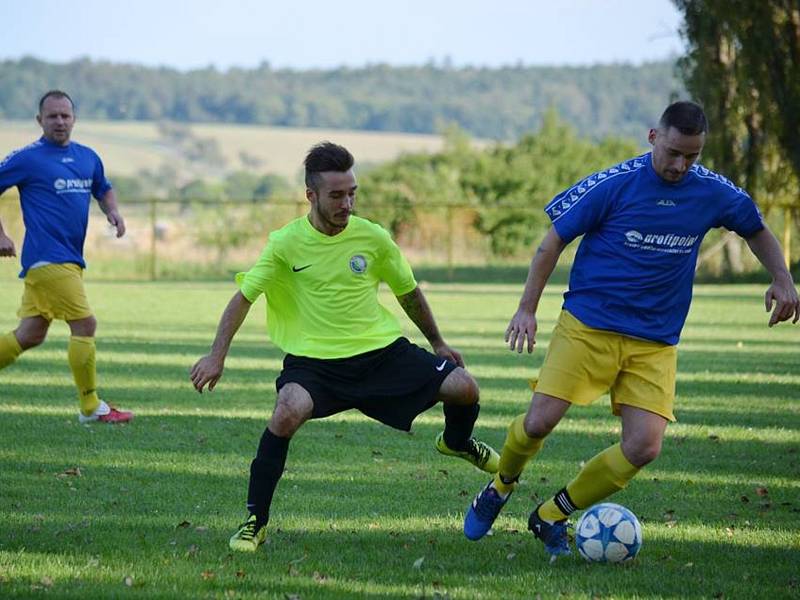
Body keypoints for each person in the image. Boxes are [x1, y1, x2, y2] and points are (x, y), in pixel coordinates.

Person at [462, 101, 799, 559]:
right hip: (588, 326)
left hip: (656, 341)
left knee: (643, 447)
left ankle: (551, 515)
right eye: (674, 152)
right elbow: (553, 240)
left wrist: (782, 277)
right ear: (653, 137)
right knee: (540, 421)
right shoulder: (615, 184)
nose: (681, 166)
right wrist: (527, 309)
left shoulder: (712, 191)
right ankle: (501, 484)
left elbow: (755, 227)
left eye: (692, 157)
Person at [190, 141, 499, 553]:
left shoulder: (372, 237)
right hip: (314, 364)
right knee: (286, 412)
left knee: (466, 388)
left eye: (352, 192)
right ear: (311, 195)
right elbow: (245, 296)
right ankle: (254, 523)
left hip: (380, 355)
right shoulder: (285, 243)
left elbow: (408, 291)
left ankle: (457, 443)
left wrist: (437, 342)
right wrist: (216, 355)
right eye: (337, 195)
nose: (347, 203)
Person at [0, 90, 133, 424]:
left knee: (30, 335)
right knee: (85, 324)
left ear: (74, 119)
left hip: (68, 260)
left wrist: (113, 211)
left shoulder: (87, 157)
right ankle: (91, 408)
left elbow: (103, 187)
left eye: (65, 116)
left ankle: (91, 407)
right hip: (47, 259)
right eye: (52, 116)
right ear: (39, 120)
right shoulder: (26, 158)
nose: (59, 122)